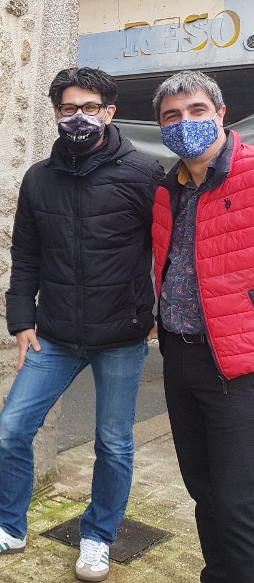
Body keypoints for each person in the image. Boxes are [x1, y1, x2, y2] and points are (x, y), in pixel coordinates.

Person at [0, 67, 163, 582]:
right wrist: (21, 320)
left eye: (90, 107)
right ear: (55, 113)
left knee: (113, 442)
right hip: (54, 335)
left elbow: (169, 250)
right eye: (69, 108)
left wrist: (158, 314)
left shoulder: (143, 174)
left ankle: (98, 536)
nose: (79, 117)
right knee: (13, 428)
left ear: (109, 112)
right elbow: (25, 254)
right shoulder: (38, 178)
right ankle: (10, 527)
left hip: (121, 336)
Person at [151, 70, 254, 583]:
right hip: (179, 355)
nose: (184, 122)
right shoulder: (166, 190)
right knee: (203, 488)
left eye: (196, 111)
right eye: (171, 116)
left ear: (221, 114)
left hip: (237, 365)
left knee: (238, 499)